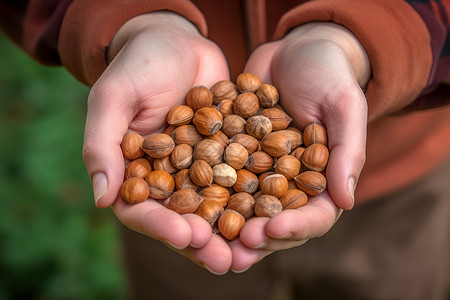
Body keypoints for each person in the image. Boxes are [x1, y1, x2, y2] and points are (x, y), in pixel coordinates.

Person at [1, 0, 449, 299]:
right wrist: (136, 18)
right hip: (182, 224)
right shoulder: (207, 156)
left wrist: (363, 39)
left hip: (400, 178)